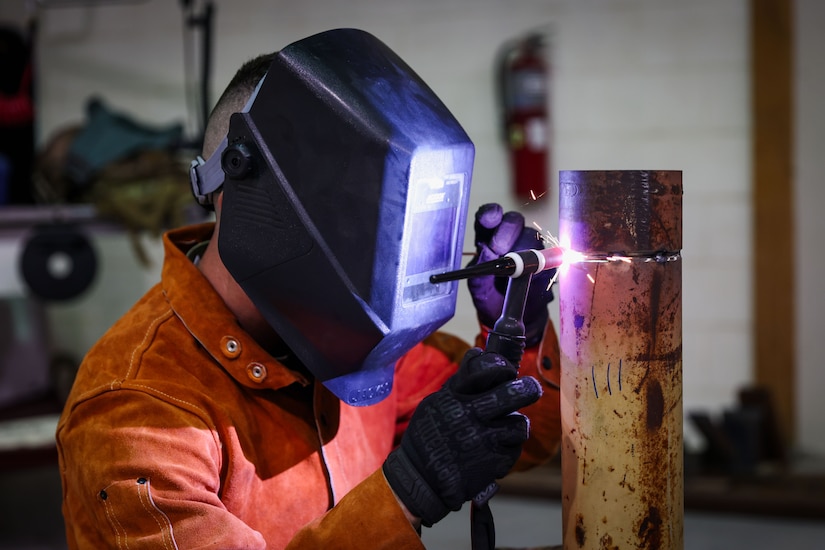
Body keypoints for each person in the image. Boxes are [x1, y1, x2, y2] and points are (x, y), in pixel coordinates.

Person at [56, 29, 561, 549]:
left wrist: (520, 333)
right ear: (246, 199)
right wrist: (407, 493)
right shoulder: (139, 412)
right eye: (357, 224)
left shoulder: (359, 335)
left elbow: (525, 437)